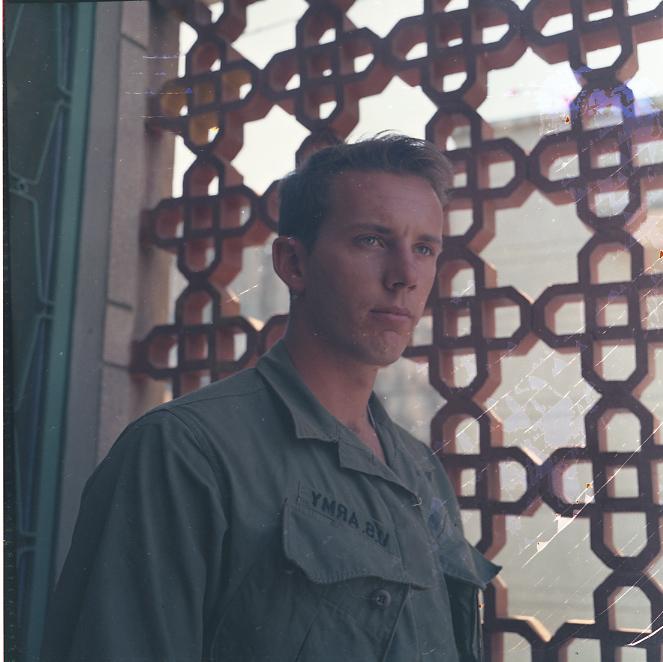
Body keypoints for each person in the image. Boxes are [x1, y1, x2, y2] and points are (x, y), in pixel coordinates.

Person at [41, 134, 501, 662]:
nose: (405, 276)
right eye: (372, 240)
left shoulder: (420, 470)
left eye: (424, 249)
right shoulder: (185, 453)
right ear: (293, 263)